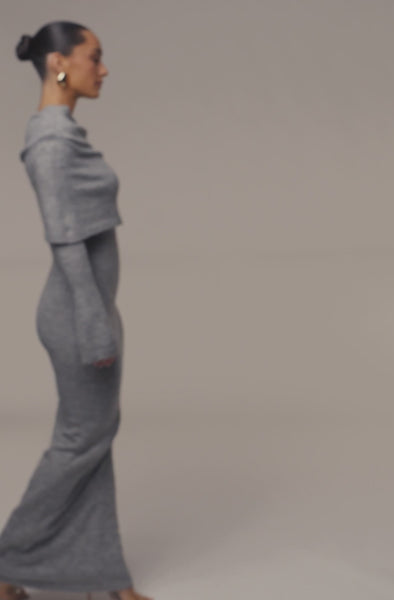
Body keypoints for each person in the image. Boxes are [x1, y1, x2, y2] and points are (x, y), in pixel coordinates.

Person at [0, 21, 153, 600]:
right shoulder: (50, 144)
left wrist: (102, 315)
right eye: (94, 57)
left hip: (89, 308)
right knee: (80, 441)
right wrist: (93, 327)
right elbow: (65, 241)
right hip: (76, 315)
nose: (104, 69)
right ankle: (9, 560)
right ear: (59, 63)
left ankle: (104, 577)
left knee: (94, 436)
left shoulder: (63, 135)